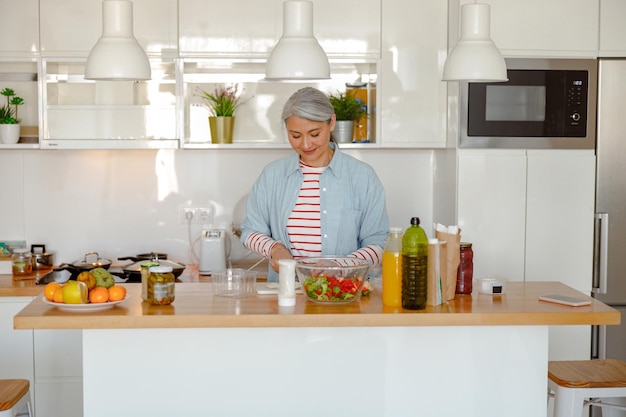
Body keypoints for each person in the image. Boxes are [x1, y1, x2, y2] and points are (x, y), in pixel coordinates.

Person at [240, 87, 389, 282]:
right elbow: (250, 231)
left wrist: (340, 265)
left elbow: (379, 243)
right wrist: (274, 249)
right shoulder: (273, 176)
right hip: (287, 293)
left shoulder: (363, 177)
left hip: (344, 294)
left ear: (332, 123)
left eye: (314, 133)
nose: (306, 144)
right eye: (295, 136)